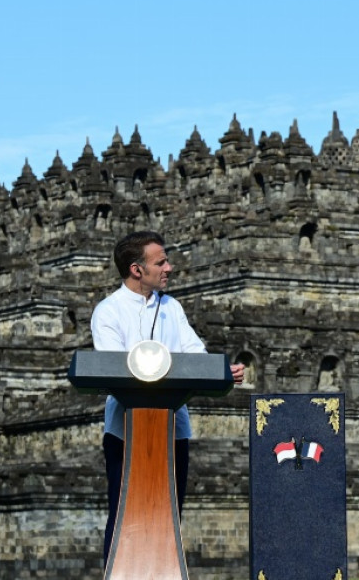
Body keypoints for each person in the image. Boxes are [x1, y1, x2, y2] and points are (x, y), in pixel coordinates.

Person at [91, 230, 244, 563]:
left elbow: (194, 353)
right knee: (123, 517)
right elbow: (111, 367)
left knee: (169, 517)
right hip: (126, 430)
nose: (169, 268)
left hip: (172, 428)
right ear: (136, 270)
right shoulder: (109, 311)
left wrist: (220, 370)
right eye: (160, 262)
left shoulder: (171, 308)